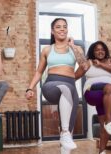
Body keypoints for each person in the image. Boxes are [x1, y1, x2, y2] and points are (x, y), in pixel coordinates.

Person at [25, 18, 89, 151]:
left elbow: (84, 66)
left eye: (64, 27)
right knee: (65, 88)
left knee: (69, 128)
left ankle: (65, 135)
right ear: (52, 31)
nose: (62, 29)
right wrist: (30, 88)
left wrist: (72, 47)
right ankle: (64, 133)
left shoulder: (76, 48)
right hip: (51, 86)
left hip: (70, 89)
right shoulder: (47, 50)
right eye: (58, 27)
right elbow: (39, 72)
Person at [75, 41, 111, 154]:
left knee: (103, 124)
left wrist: (100, 64)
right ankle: (110, 122)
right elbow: (75, 76)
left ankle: (102, 151)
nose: (100, 51)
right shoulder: (88, 63)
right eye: (97, 49)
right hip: (92, 92)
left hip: (108, 98)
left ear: (105, 51)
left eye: (102, 49)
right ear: (93, 52)